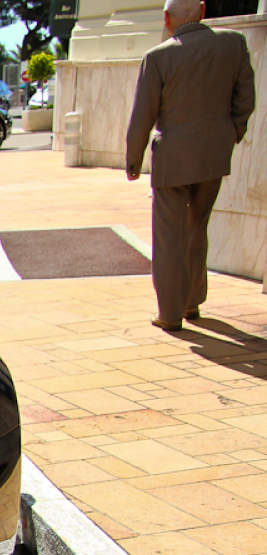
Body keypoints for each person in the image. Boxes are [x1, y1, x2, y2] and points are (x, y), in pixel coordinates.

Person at [125, 0, 255, 331]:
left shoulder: (158, 57)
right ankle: (191, 302)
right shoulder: (233, 44)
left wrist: (133, 158)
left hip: (172, 159)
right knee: (197, 227)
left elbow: (143, 114)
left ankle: (170, 312)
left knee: (169, 235)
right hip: (214, 155)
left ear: (167, 18)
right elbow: (246, 98)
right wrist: (232, 133)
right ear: (202, 10)